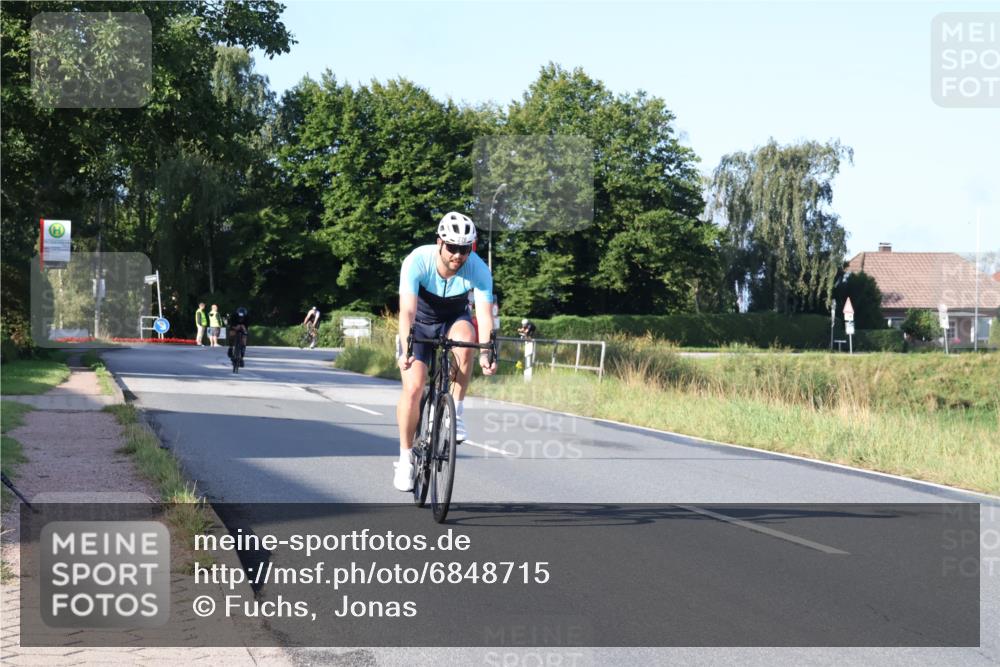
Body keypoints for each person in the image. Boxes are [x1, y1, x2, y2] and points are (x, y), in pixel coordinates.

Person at [393, 211, 497, 491]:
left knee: (468, 340)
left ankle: (456, 412)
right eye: (452, 247)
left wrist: (487, 352)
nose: (458, 255)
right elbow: (407, 311)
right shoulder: (417, 260)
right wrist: (406, 348)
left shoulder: (478, 268)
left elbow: (485, 316)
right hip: (420, 322)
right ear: (439, 242)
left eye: (465, 249)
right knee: (413, 388)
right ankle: (405, 460)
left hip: (453, 319)